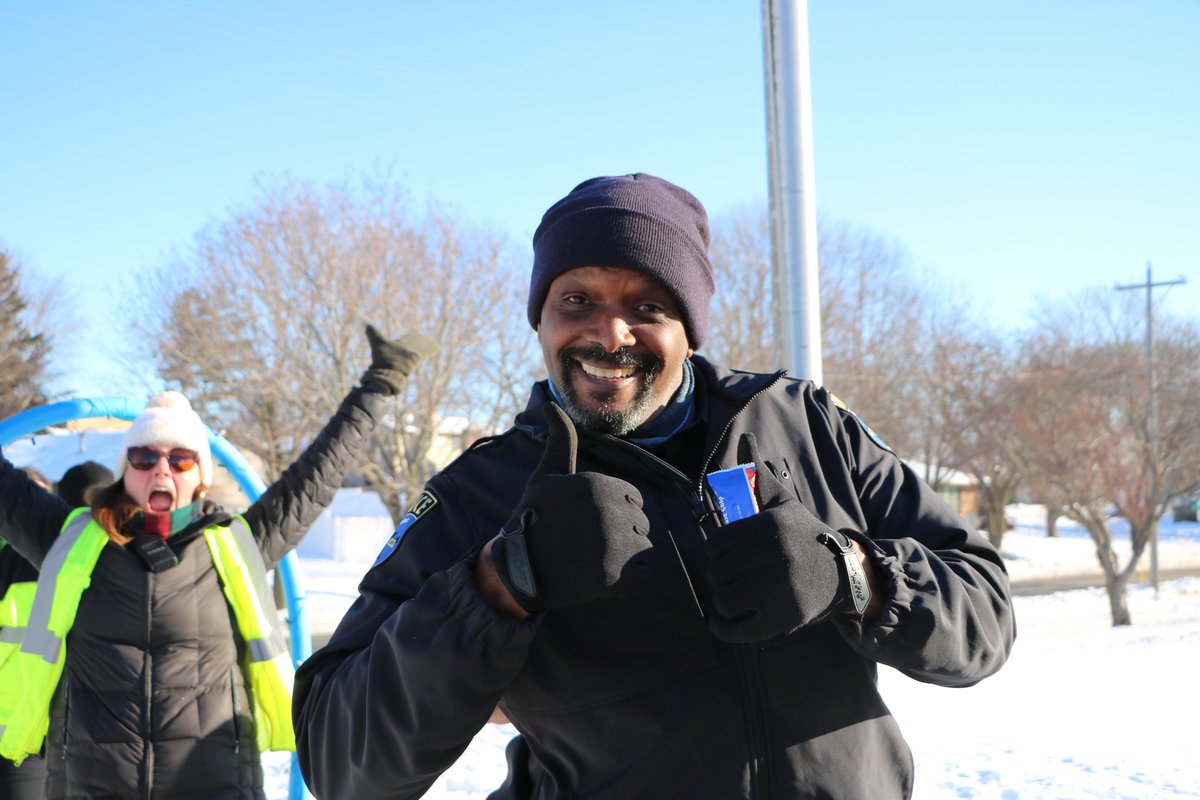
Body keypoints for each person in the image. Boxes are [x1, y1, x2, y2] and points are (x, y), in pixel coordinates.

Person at [293, 174, 1017, 799]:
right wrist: (499, 582)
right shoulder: (479, 492)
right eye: (577, 300)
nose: (610, 334)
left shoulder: (806, 424)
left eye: (648, 307)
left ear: (690, 328)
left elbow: (984, 615)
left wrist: (852, 575)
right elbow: (339, 760)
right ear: (540, 318)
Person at [0, 324, 435, 799]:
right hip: (93, 786)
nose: (161, 469)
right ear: (126, 473)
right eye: (144, 458)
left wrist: (379, 383)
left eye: (180, 459)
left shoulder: (235, 545)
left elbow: (315, 478)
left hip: (213, 784)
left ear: (200, 477)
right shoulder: (73, 542)